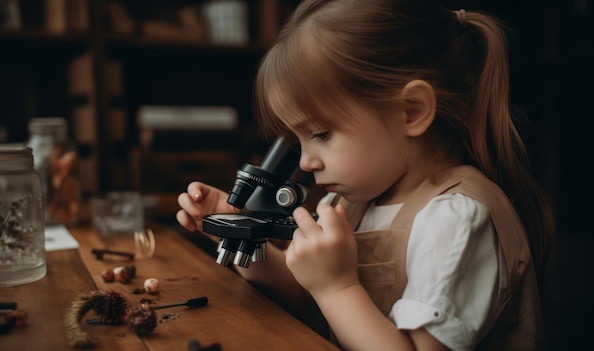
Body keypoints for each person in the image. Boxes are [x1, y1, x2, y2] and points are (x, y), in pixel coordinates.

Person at [177, 0, 555, 349]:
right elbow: (301, 290)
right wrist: (239, 230)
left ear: (411, 111)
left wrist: (336, 288)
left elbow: (329, 293)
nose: (306, 162)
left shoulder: (457, 220)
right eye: (298, 140)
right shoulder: (350, 201)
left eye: (321, 134)